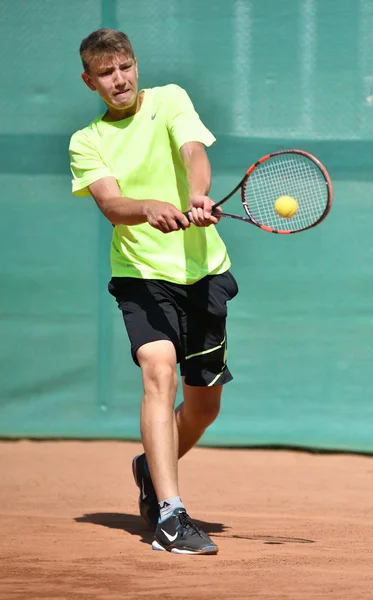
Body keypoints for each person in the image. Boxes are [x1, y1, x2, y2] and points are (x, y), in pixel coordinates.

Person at [69, 28, 238, 555]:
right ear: (89, 81)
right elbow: (111, 204)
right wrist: (147, 207)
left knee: (203, 406)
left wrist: (196, 195)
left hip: (203, 272)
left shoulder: (170, 100)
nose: (118, 80)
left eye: (124, 67)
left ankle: (150, 465)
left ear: (134, 65)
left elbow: (193, 152)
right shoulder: (87, 141)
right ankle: (170, 514)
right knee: (158, 369)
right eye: (105, 73)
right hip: (141, 276)